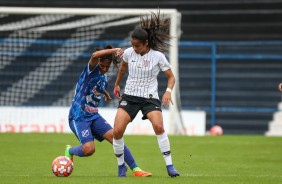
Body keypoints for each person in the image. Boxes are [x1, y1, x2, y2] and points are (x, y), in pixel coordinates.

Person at [64, 45, 152, 177]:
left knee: (116, 137)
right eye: (102, 66)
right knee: (89, 150)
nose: (104, 69)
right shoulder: (90, 71)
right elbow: (94, 56)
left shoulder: (103, 78)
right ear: (98, 63)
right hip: (79, 116)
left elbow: (95, 87)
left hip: (93, 115)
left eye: (107, 66)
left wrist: (104, 93)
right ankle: (70, 151)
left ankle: (136, 169)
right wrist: (114, 50)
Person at [112, 11, 180, 177]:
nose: (134, 48)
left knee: (159, 127)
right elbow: (122, 68)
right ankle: (121, 166)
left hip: (150, 98)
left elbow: (171, 77)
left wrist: (168, 92)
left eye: (138, 46)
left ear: (146, 43)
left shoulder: (158, 57)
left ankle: (170, 166)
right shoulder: (128, 53)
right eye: (133, 45)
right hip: (130, 97)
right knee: (117, 131)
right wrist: (117, 84)